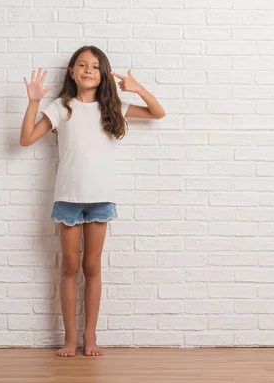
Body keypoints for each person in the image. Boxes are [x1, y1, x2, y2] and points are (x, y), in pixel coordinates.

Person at [19, 46, 166, 357]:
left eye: (95, 66)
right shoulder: (62, 106)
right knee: (70, 267)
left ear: (102, 75)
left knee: (92, 267)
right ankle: (70, 339)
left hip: (100, 199)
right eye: (82, 65)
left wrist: (138, 88)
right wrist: (34, 103)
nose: (88, 70)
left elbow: (157, 113)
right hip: (69, 199)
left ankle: (91, 337)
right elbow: (27, 138)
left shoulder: (111, 107)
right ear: (72, 72)